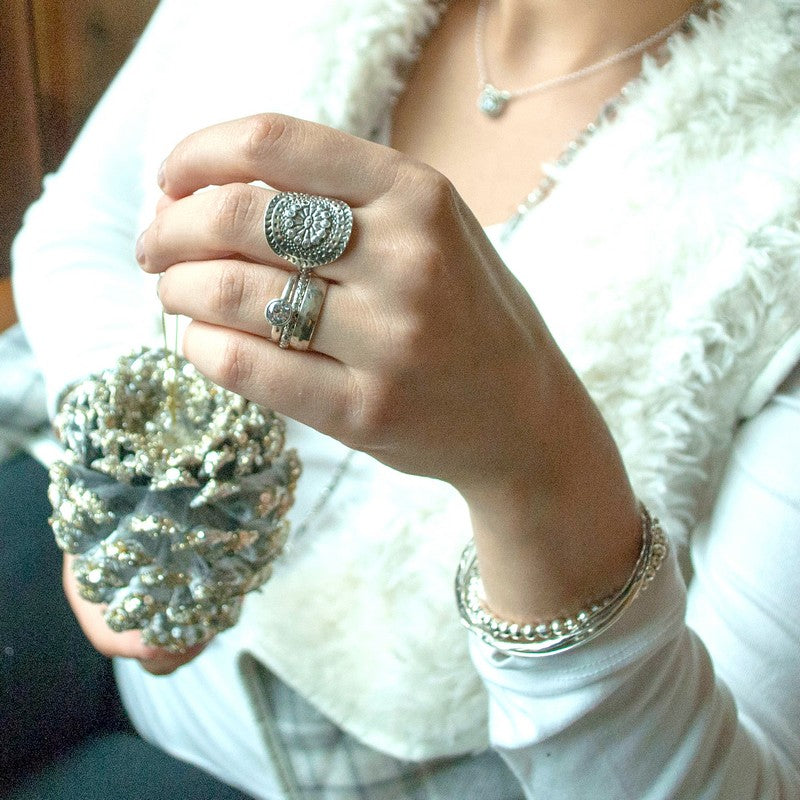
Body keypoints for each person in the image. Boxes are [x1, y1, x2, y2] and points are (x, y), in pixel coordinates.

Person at [9, 0, 800, 797]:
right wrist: (128, 481)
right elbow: (87, 228)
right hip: (112, 569)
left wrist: (538, 462)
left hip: (392, 763)